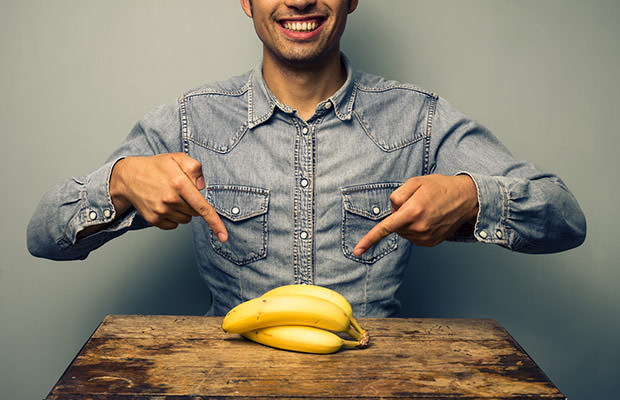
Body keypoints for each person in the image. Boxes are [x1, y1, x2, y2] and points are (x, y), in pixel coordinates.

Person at [27, 0, 586, 317]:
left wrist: (471, 196)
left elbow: (565, 217)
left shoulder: (418, 119)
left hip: (379, 380)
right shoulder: (189, 121)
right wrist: (121, 182)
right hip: (227, 381)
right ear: (245, 1)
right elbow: (42, 235)